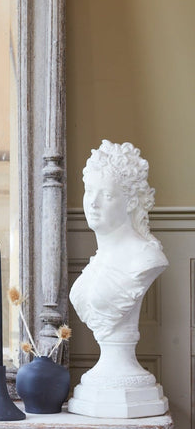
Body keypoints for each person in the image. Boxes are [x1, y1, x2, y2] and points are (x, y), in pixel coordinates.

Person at [69, 140, 167, 346]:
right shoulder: (99, 260)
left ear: (131, 202)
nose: (93, 202)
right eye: (89, 190)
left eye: (106, 195)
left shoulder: (146, 258)